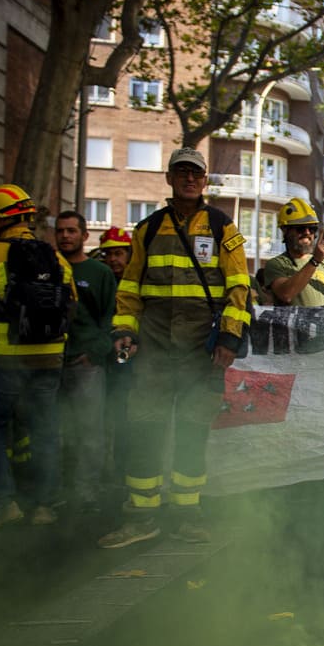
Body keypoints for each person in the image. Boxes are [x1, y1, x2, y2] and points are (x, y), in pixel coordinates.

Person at [99, 147, 250, 548]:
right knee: (145, 429)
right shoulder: (148, 229)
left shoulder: (222, 228)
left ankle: (187, 514)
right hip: (153, 351)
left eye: (195, 174)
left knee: (191, 431)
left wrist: (230, 339)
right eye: (181, 172)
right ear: (169, 178)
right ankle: (141, 516)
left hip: (201, 351)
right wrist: (123, 333)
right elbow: (129, 291)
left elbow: (239, 289)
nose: (188, 179)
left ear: (204, 181)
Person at [0, 184, 77, 530]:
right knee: (45, 430)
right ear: (25, 217)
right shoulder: (54, 256)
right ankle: (44, 506)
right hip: (50, 358)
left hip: (5, 359)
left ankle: (3, 503)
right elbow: (71, 304)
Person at [55, 211, 116, 511]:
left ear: (84, 236)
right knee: (57, 429)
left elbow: (110, 318)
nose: (65, 236)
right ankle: (58, 489)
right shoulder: (49, 268)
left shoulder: (99, 272)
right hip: (51, 364)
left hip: (87, 364)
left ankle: (87, 491)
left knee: (90, 430)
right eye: (60, 231)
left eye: (71, 231)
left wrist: (95, 353)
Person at [264, 198, 324, 306]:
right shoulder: (276, 264)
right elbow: (286, 294)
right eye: (300, 228)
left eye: (312, 229)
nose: (307, 233)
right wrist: (316, 260)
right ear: (285, 230)